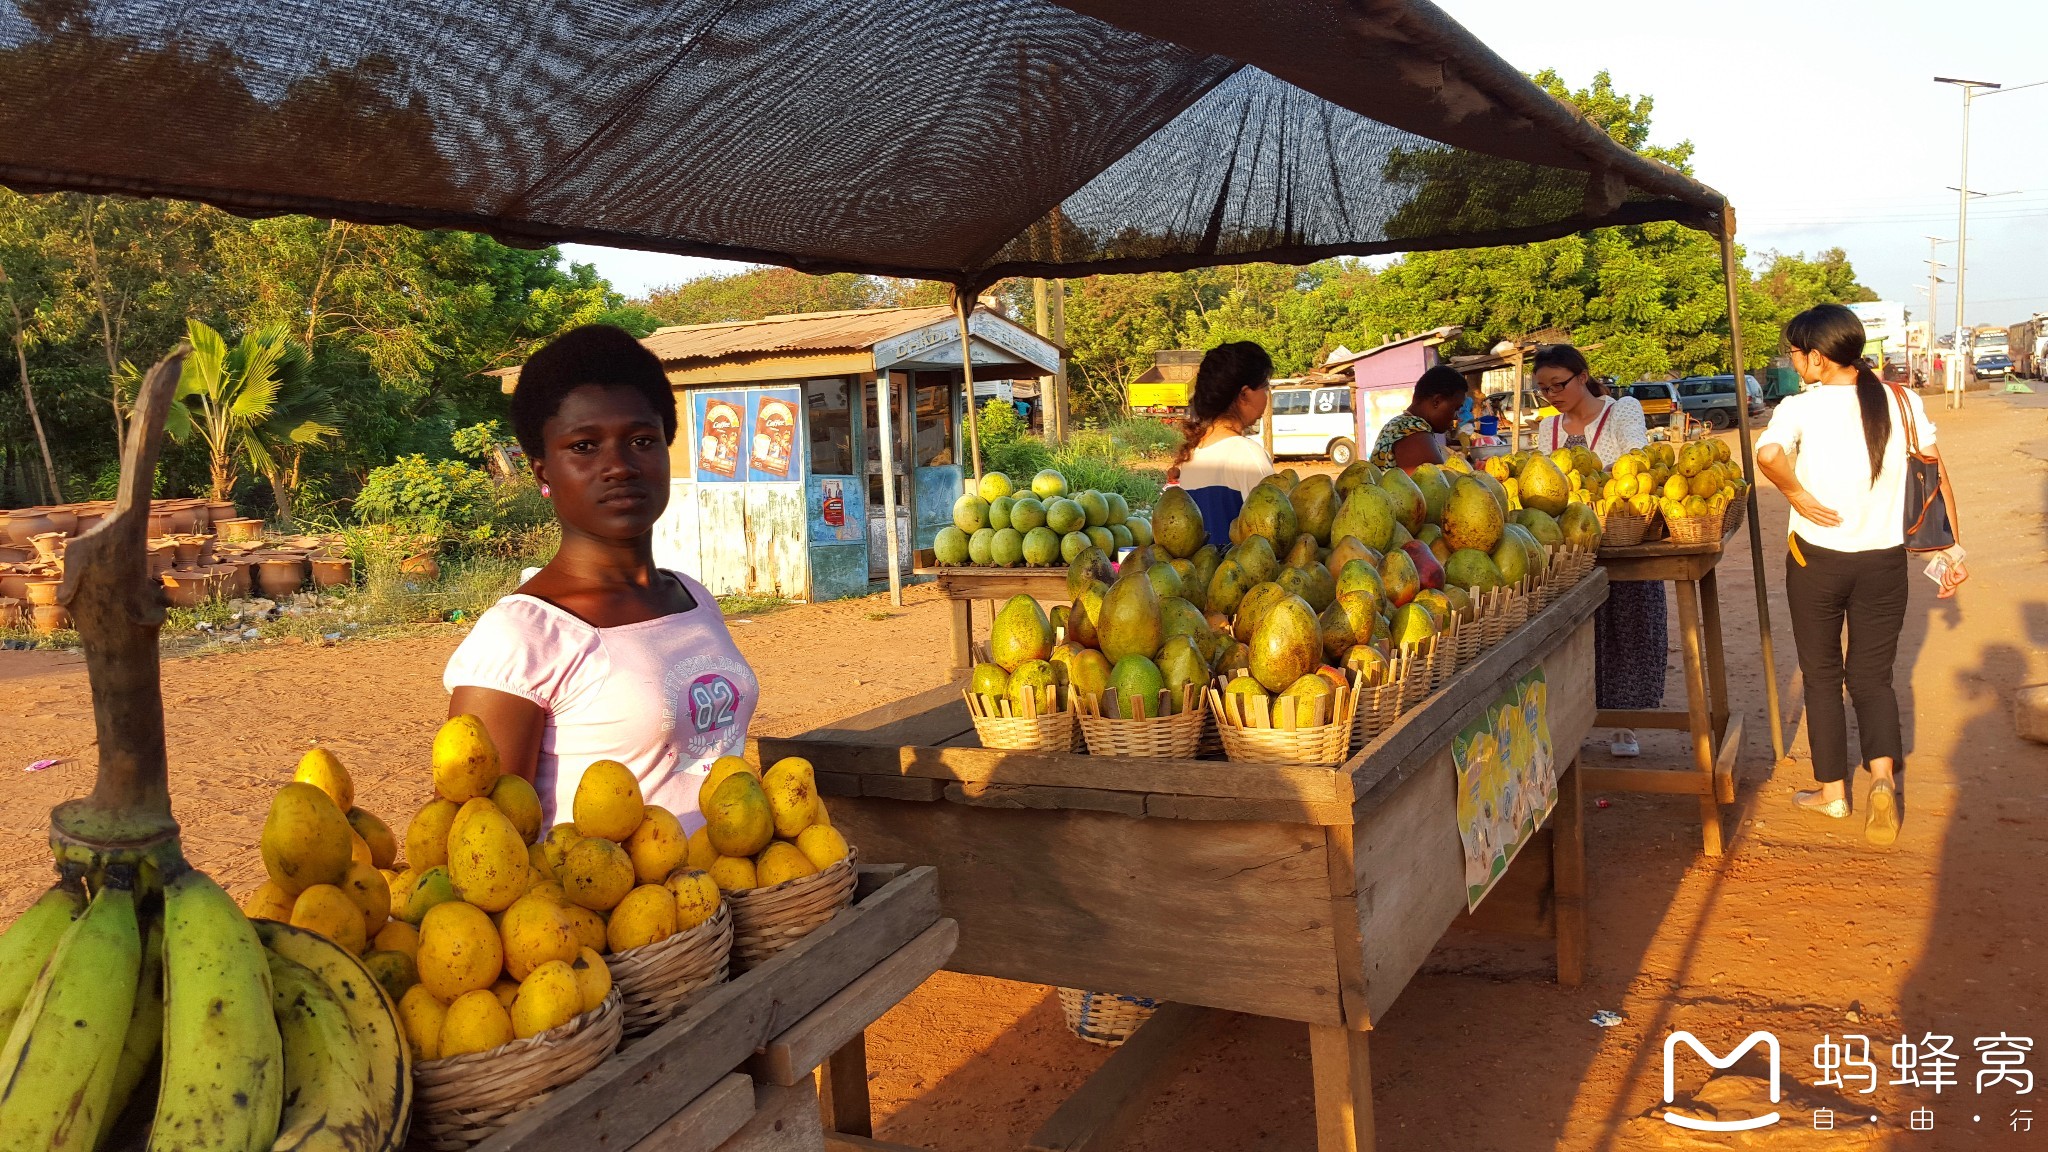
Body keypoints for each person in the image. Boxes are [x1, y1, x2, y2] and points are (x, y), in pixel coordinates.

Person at [444, 324, 760, 833]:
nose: (619, 466)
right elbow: (479, 842)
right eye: (585, 447)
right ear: (542, 471)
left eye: (641, 440)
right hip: (602, 906)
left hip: (730, 900)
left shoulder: (692, 597)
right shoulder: (523, 636)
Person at [1757, 303, 1966, 845]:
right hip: (1885, 562)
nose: (1792, 360)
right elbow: (1935, 474)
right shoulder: (1902, 398)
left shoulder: (1801, 407)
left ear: (1820, 359)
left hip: (1816, 560)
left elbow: (1770, 455)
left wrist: (1797, 494)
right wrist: (1951, 551)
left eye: (1795, 352)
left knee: (1822, 675)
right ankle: (1881, 781)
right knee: (1873, 678)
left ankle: (1831, 794)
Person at [1530, 344, 1660, 758]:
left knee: (1627, 629)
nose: (1552, 394)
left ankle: (1625, 726)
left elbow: (1636, 457)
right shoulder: (1547, 430)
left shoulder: (1621, 410)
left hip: (1621, 535)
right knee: (1582, 635)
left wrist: (1585, 475)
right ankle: (1577, 721)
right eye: (1544, 389)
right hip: (1572, 548)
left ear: (1582, 377)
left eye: (1559, 384)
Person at [1167, 341, 1274, 548]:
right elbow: (1275, 536)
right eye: (1265, 387)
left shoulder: (1191, 456)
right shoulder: (1248, 456)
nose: (1267, 396)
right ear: (1244, 394)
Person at [1369, 364, 1466, 470]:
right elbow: (1435, 483)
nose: (1456, 416)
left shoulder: (1399, 425)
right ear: (1437, 402)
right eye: (1455, 408)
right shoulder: (1412, 431)